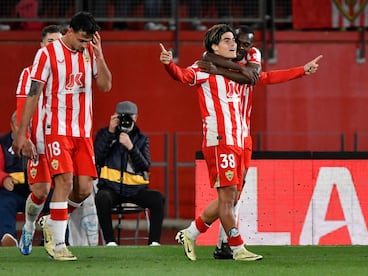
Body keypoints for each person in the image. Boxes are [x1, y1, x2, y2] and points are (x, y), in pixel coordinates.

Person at [198, 25, 322, 259]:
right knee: (230, 193)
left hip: (244, 135)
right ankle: (224, 244)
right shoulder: (213, 56)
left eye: (247, 43)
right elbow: (207, 59)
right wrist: (226, 69)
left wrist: (301, 71)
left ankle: (212, 238)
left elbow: (256, 77)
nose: (243, 47)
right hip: (227, 133)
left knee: (236, 193)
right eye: (239, 41)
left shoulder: (252, 55)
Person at [12, 11, 112, 261]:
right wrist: (22, 134)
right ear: (70, 31)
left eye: (88, 41)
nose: (84, 45)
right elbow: (32, 94)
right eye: (81, 40)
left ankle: (50, 222)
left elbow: (106, 86)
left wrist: (99, 54)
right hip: (54, 130)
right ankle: (57, 244)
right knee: (56, 185)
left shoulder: (89, 52)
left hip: (83, 132)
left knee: (83, 189)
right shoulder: (47, 54)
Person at [160, 24, 262, 261]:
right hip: (220, 140)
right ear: (214, 46)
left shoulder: (235, 68)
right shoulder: (201, 69)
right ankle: (237, 248)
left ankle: (190, 232)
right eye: (227, 40)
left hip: (237, 139)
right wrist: (168, 64)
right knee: (227, 198)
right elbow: (182, 75)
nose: (233, 44)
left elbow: (253, 76)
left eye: (233, 40)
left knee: (232, 197)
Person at [15, 24, 63, 256]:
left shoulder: (69, 70)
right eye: (51, 41)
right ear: (42, 46)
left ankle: (53, 227)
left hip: (63, 139)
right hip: (39, 141)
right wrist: (25, 138)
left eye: (59, 41)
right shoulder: (28, 73)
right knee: (42, 191)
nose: (55, 46)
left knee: (77, 189)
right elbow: (21, 109)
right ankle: (29, 226)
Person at [94, 101, 165, 246]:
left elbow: (145, 166)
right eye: (121, 116)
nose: (125, 120)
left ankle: (154, 242)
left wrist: (131, 147)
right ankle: (110, 242)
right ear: (115, 116)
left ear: (136, 118)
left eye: (129, 117)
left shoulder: (141, 139)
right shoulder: (105, 134)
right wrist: (110, 133)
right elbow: (97, 158)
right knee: (101, 197)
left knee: (157, 198)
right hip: (111, 188)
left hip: (135, 190)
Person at [0, 112, 30, 248]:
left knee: (55, 199)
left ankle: (58, 239)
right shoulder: (2, 142)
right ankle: (8, 237)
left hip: (37, 189)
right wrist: (3, 178)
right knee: (4, 201)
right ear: (12, 126)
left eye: (27, 125)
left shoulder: (39, 141)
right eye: (20, 125)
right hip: (12, 191)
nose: (24, 129)